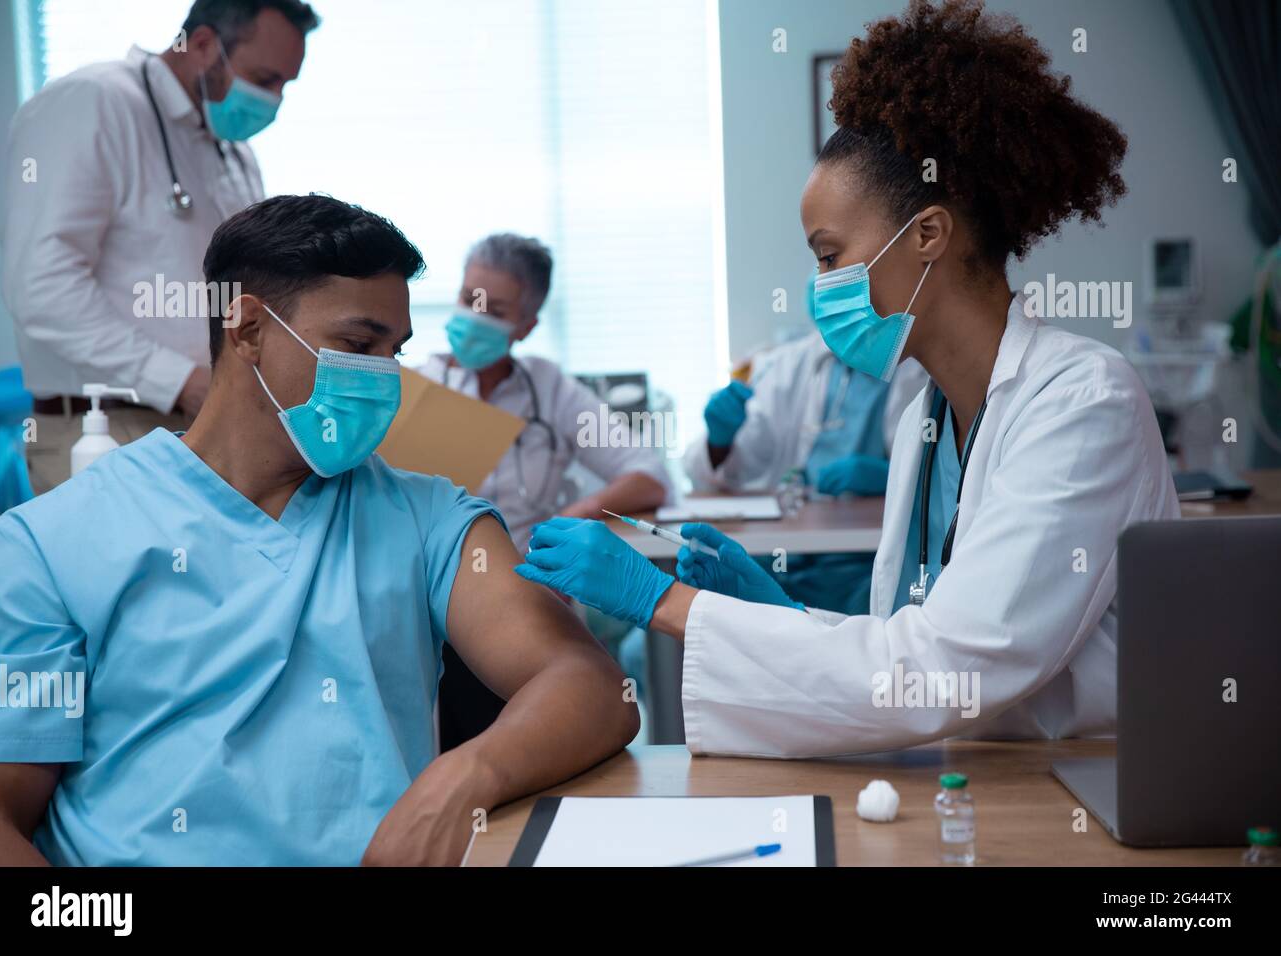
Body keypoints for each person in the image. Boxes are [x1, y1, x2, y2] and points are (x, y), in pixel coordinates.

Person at [515, 0, 1179, 757]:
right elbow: (906, 643)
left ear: (927, 235)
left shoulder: (1083, 403)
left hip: (1081, 790)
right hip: (971, 775)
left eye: (829, 256)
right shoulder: (924, 420)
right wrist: (787, 615)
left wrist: (664, 600)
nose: (819, 283)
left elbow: (946, 670)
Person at [0, 195, 638, 865]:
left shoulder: (429, 520)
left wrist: (462, 776)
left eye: (395, 351)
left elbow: (591, 688)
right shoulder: (47, 544)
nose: (385, 376)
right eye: (358, 345)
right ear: (248, 331)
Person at [3, 0, 318, 494]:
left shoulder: (233, 151)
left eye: (285, 84)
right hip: (106, 432)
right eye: (263, 77)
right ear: (202, 45)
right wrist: (181, 381)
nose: (273, 99)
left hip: (211, 427)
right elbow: (41, 287)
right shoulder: (93, 104)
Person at [418, 234, 672, 748]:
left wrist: (569, 517)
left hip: (527, 592)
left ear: (528, 325)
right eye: (470, 298)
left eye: (498, 308)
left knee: (555, 734)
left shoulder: (548, 388)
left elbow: (648, 475)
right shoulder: (419, 387)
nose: (476, 315)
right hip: (434, 596)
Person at [683, 279, 926, 613]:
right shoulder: (786, 366)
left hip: (865, 563)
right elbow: (730, 469)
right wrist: (719, 440)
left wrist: (891, 476)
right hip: (786, 556)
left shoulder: (916, 366)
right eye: (823, 261)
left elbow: (940, 472)